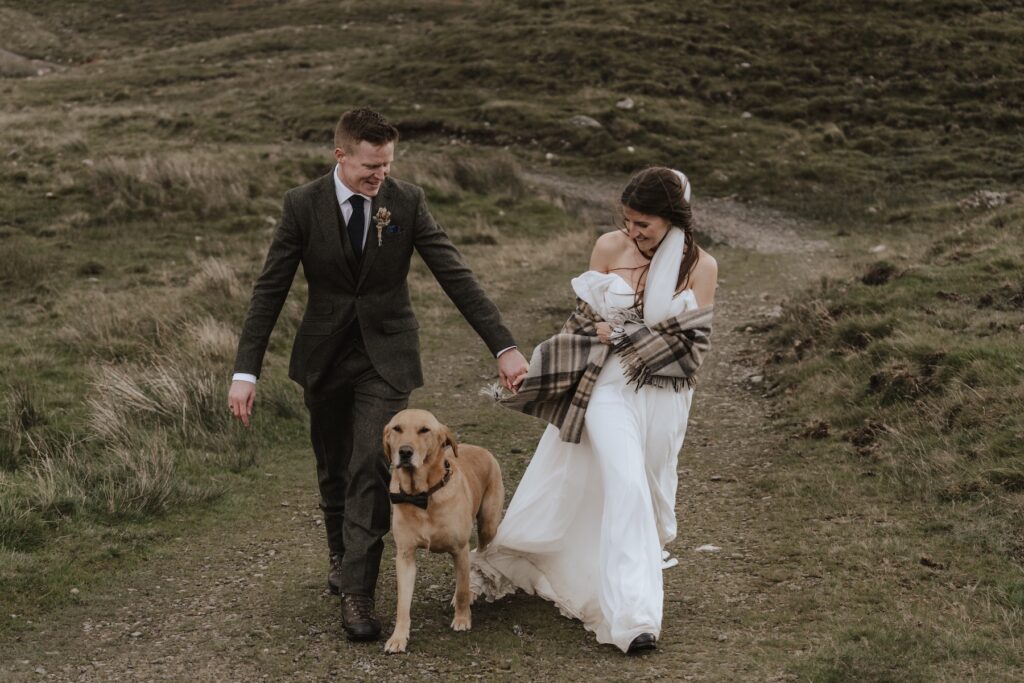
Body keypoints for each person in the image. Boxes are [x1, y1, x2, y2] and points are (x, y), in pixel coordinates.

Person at [228, 108, 529, 642]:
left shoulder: (406, 201)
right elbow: (269, 289)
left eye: (387, 164)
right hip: (323, 358)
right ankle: (342, 557)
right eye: (370, 165)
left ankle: (360, 596)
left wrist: (503, 345)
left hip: (386, 358)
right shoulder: (302, 205)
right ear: (340, 155)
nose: (380, 175)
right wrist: (245, 371)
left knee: (372, 468)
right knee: (333, 469)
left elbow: (453, 271)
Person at [471, 167, 717, 654]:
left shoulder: (701, 266)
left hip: (664, 394)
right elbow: (582, 321)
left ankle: (593, 570)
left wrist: (623, 332)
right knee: (625, 482)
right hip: (606, 384)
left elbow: (690, 353)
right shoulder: (608, 248)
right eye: (627, 221)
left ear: (673, 219)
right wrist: (546, 363)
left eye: (643, 223)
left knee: (644, 492)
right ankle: (635, 618)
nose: (632, 232)